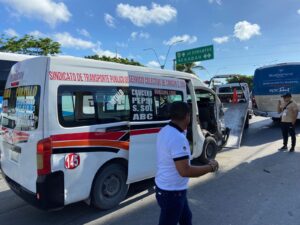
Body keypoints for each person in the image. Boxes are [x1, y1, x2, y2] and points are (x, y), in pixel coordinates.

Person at [155, 101, 219, 225]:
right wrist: (210, 167)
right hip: (172, 192)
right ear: (187, 116)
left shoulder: (166, 130)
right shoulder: (177, 138)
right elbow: (185, 171)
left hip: (171, 189)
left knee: (186, 218)